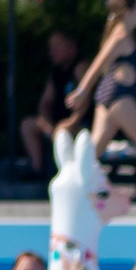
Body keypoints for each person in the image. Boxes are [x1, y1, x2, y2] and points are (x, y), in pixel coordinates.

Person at [67, 0, 136, 198]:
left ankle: (71, 190)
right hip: (119, 97)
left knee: (93, 152)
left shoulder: (124, 35)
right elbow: (99, 63)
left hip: (110, 95)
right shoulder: (121, 35)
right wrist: (82, 90)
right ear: (129, 12)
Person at [19, 30, 83, 173]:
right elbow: (44, 103)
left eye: (57, 46)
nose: (51, 52)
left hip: (79, 123)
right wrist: (48, 125)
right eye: (51, 47)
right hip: (57, 125)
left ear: (71, 47)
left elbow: (85, 101)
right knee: (28, 125)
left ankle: (71, 172)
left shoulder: (80, 67)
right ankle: (38, 169)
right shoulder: (56, 74)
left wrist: (71, 122)